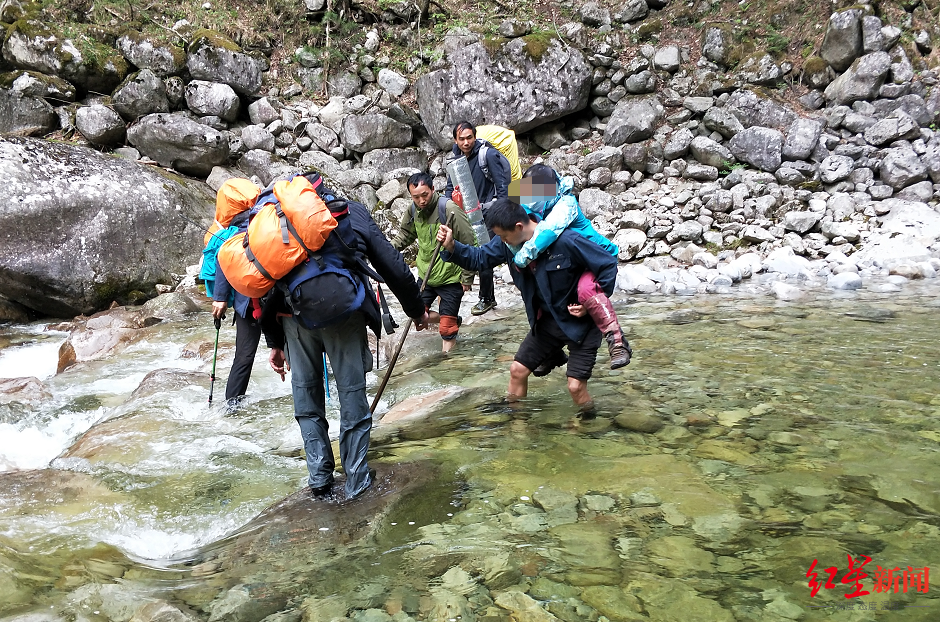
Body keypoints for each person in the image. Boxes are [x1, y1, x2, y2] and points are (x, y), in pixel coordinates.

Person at [260, 173, 430, 500]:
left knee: (307, 403)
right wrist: (415, 309)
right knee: (351, 396)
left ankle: (320, 480)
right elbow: (391, 263)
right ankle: (356, 481)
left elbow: (261, 287)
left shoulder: (276, 223)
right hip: (345, 316)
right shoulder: (349, 211)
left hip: (293, 322)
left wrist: (274, 342)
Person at [436, 198, 618, 414]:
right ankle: (517, 421)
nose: (501, 241)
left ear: (519, 227)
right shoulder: (508, 244)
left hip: (581, 325)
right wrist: (452, 246)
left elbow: (607, 263)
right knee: (517, 370)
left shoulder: (565, 240)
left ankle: (589, 420)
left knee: (575, 387)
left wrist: (590, 304)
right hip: (546, 324)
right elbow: (480, 258)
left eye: (503, 235)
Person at [512, 164, 632, 370]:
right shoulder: (534, 199)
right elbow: (507, 200)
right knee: (539, 288)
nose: (530, 195)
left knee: (586, 290)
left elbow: (547, 233)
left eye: (536, 190)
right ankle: (551, 351)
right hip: (569, 261)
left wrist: (520, 258)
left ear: (550, 188)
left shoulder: (566, 204)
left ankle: (617, 341)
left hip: (594, 257)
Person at [391, 172, 477, 353]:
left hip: (450, 276)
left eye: (425, 195)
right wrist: (385, 252)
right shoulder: (413, 210)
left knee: (447, 330)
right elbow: (405, 235)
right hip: (425, 276)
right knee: (416, 315)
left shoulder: (449, 209)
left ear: (433, 189)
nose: (421, 200)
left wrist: (467, 277)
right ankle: (450, 317)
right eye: (416, 197)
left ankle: (447, 364)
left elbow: (470, 241)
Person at [202, 178, 264, 409]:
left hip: (248, 304)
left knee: (244, 357)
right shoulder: (270, 224)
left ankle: (232, 405)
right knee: (296, 352)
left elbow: (223, 261)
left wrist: (220, 299)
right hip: (278, 302)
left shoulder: (231, 234)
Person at [444, 120, 511, 316]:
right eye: (461, 139)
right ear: (455, 140)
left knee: (484, 253)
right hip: (466, 213)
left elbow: (502, 187)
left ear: (475, 136)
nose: (466, 142)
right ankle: (459, 287)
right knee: (461, 248)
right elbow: (450, 187)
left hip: (489, 213)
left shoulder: (487, 155)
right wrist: (450, 205)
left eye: (469, 138)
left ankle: (486, 298)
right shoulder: (455, 159)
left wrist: (499, 210)